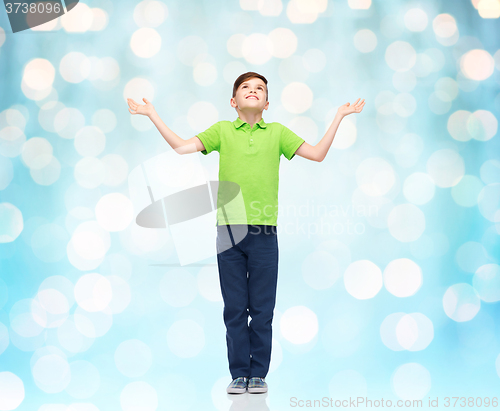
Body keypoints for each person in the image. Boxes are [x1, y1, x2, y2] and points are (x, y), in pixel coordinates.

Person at [127, 72, 365, 394]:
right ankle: (239, 373)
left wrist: (338, 116)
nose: (253, 91)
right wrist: (152, 113)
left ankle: (258, 375)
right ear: (233, 101)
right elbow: (183, 147)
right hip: (228, 233)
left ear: (267, 103)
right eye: (245, 88)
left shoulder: (278, 133)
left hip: (265, 233)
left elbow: (318, 153)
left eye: (260, 89)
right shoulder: (223, 131)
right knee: (235, 308)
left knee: (262, 309)